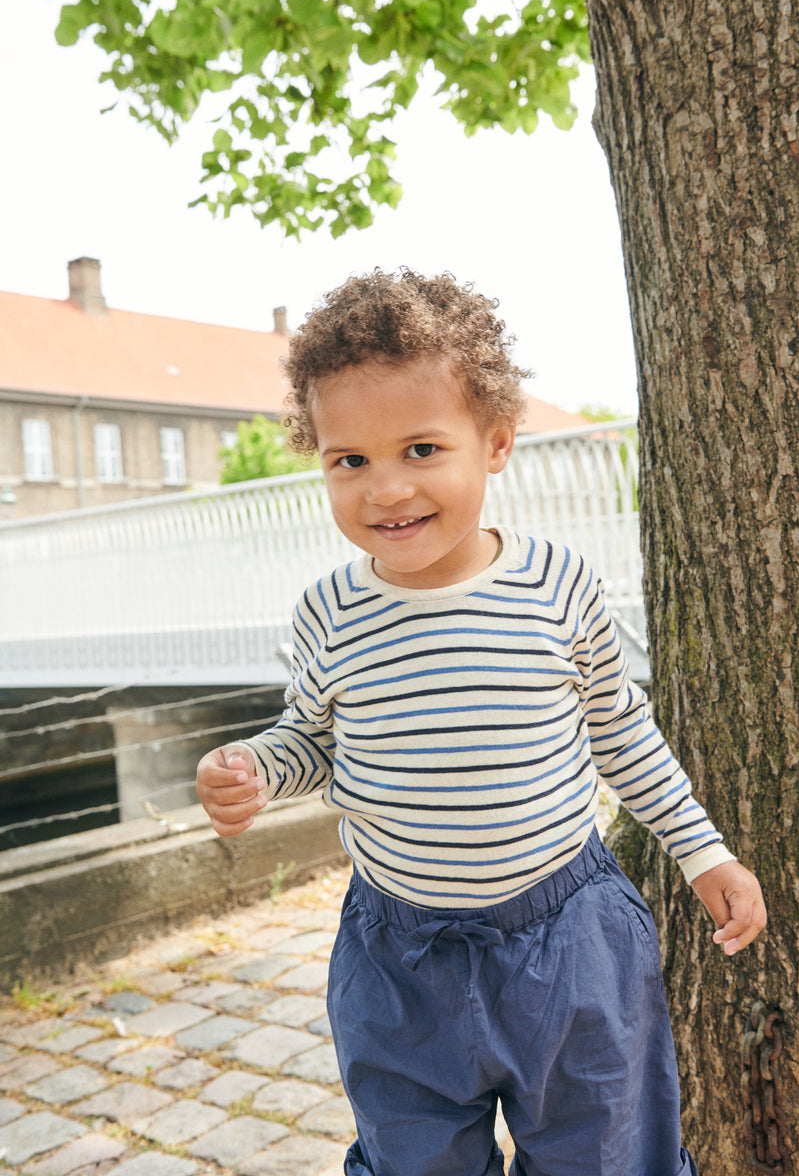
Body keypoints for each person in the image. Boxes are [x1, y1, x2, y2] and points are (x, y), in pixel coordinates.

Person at [196, 269, 766, 1176]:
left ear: (495, 442)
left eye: (421, 449)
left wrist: (704, 853)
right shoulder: (328, 612)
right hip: (398, 958)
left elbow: (621, 730)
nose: (385, 489)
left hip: (569, 945)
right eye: (351, 460)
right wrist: (259, 768)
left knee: (606, 1157)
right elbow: (313, 738)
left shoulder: (555, 585)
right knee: (415, 1161)